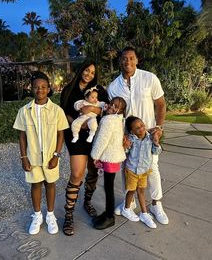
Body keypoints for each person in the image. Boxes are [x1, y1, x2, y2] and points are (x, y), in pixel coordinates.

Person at [108, 46, 169, 225]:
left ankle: (156, 204)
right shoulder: (114, 86)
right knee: (128, 169)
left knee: (152, 168)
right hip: (128, 138)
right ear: (120, 61)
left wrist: (159, 127)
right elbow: (115, 115)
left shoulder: (149, 78)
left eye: (131, 58)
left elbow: (161, 104)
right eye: (124, 58)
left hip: (147, 134)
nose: (128, 61)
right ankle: (130, 202)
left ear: (137, 60)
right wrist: (121, 137)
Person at [13, 71, 69, 235]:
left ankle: (50, 215)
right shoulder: (24, 111)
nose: (40, 90)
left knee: (50, 184)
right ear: (31, 89)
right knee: (36, 184)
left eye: (43, 87)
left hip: (51, 156)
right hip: (33, 156)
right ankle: (37, 215)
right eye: (36, 87)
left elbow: (61, 134)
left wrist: (57, 155)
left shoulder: (56, 110)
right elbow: (22, 136)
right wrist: (23, 157)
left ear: (48, 88)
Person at [60, 59, 109, 236]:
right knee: (77, 173)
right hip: (75, 137)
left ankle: (87, 202)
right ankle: (69, 214)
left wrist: (92, 109)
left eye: (92, 72)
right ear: (81, 70)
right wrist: (78, 124)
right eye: (87, 70)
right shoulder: (69, 90)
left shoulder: (100, 91)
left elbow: (106, 110)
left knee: (93, 171)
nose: (89, 74)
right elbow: (63, 114)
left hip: (95, 137)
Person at [91, 97, 127, 230]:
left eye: (116, 106)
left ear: (120, 110)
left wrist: (95, 156)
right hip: (113, 157)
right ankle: (107, 212)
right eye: (111, 103)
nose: (112, 106)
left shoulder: (108, 120)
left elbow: (102, 140)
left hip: (109, 157)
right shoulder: (117, 120)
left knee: (108, 188)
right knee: (108, 187)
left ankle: (110, 217)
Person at [122, 116, 162, 229]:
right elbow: (126, 151)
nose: (141, 128)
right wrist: (125, 146)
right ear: (132, 131)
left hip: (144, 171)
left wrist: (156, 142)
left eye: (142, 125)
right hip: (132, 171)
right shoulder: (131, 139)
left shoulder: (150, 138)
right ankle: (126, 209)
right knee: (131, 191)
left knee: (141, 191)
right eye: (137, 128)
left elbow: (156, 151)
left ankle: (144, 214)